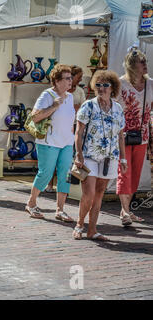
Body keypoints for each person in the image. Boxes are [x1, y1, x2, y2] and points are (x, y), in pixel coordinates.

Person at [73, 71, 127, 241]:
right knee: (88, 194)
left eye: (105, 85)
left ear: (113, 88)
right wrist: (78, 154)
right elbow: (78, 132)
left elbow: (120, 135)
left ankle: (92, 230)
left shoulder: (117, 108)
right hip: (89, 156)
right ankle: (79, 225)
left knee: (99, 194)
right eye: (98, 85)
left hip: (110, 158)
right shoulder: (88, 106)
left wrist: (123, 159)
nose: (101, 88)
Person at [25, 64, 75, 221]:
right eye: (67, 78)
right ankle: (31, 203)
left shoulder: (71, 97)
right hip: (48, 142)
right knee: (45, 174)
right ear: (57, 80)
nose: (71, 81)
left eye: (71, 78)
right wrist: (54, 105)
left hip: (67, 142)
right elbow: (35, 117)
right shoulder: (47, 95)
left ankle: (60, 210)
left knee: (65, 176)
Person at [116, 48, 153, 225]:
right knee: (124, 172)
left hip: (142, 136)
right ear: (132, 66)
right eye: (142, 62)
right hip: (122, 135)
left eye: (145, 62)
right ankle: (125, 211)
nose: (146, 65)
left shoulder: (150, 84)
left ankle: (126, 210)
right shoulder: (120, 84)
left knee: (135, 175)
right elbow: (113, 108)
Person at [45, 65, 86, 193]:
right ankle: (49, 184)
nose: (79, 80)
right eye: (78, 78)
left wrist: (75, 107)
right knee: (53, 160)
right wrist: (75, 107)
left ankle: (68, 188)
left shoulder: (79, 91)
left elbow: (83, 107)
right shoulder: (57, 92)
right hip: (58, 129)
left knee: (68, 161)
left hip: (73, 127)